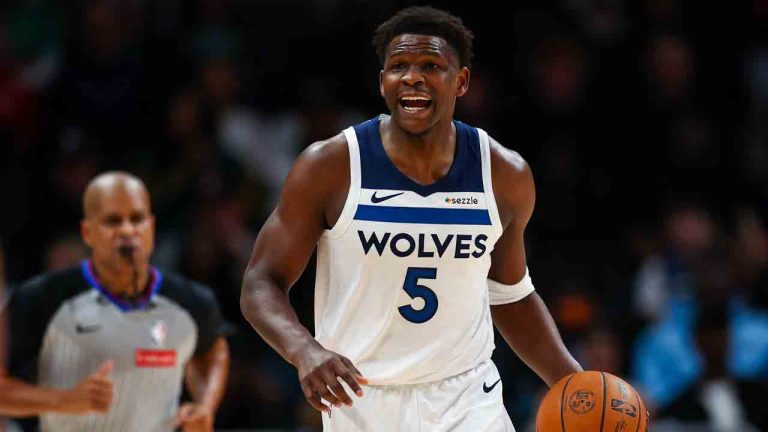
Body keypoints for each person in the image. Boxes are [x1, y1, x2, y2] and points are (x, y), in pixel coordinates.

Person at [240, 6, 581, 431]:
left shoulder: (503, 174)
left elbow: (509, 294)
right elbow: (260, 282)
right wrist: (304, 350)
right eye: (398, 66)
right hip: (361, 397)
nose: (412, 77)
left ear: (461, 82)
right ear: (382, 81)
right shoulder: (331, 166)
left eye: (430, 66)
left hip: (467, 397)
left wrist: (575, 383)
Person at [1, 172, 231, 432]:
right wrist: (64, 400)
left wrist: (205, 405)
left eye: (137, 219)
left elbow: (213, 349)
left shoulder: (191, 301)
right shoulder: (40, 298)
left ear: (152, 227)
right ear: (88, 232)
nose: (127, 231)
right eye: (113, 221)